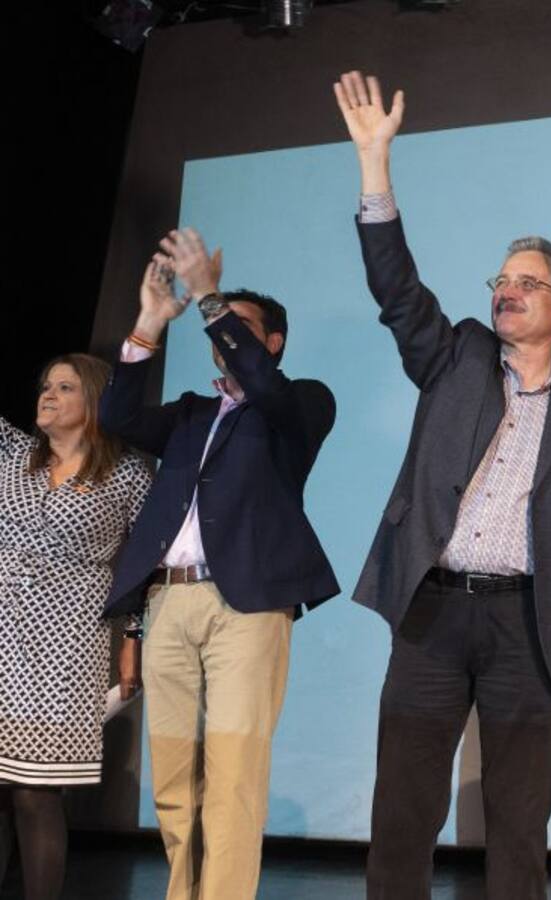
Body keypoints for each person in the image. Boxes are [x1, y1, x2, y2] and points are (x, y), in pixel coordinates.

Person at [333, 70, 551, 900]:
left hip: (527, 626)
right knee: (404, 814)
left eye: (527, 282)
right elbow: (397, 291)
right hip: (431, 612)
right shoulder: (458, 355)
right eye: (501, 280)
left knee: (519, 820)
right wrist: (374, 167)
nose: (507, 290)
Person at [98, 238, 339, 900]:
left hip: (248, 606)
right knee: (174, 779)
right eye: (218, 324)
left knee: (233, 772)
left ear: (274, 342)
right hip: (169, 603)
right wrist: (150, 320)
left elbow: (263, 384)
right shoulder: (191, 414)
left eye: (239, 325)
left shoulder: (301, 403)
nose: (222, 334)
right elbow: (115, 417)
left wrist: (208, 297)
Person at [0, 353, 150, 900]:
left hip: (65, 647)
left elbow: (144, 565)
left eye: (65, 387)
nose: (49, 393)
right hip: (2, 631)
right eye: (46, 385)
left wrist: (133, 637)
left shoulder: (128, 473)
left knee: (35, 792)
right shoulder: (12, 452)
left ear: (97, 400)